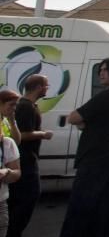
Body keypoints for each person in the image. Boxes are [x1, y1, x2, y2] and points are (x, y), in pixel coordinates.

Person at [60, 57, 109, 237]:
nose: (101, 73)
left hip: (95, 161)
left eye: (105, 69)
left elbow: (74, 117)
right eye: (100, 70)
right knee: (102, 212)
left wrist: (83, 122)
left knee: (81, 210)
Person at [8, 75, 52, 237]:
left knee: (17, 200)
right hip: (26, 160)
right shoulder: (26, 107)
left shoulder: (27, 105)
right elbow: (22, 135)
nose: (48, 88)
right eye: (46, 85)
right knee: (29, 197)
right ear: (39, 87)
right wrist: (43, 134)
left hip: (24, 159)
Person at [0, 90, 22, 237]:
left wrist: (13, 121)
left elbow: (17, 141)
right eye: (11, 105)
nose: (14, 108)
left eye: (16, 105)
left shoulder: (7, 120)